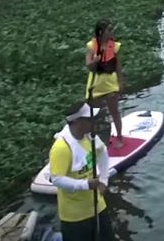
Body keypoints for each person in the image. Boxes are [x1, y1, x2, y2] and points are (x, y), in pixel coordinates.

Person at [50, 101, 113, 241]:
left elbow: (103, 152)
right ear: (77, 122)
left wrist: (104, 180)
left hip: (98, 206)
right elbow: (56, 179)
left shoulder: (90, 136)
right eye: (90, 119)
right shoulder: (61, 148)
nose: (94, 121)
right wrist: (85, 185)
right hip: (75, 216)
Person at [85, 19, 124, 148]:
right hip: (96, 85)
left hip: (110, 84)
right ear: (101, 32)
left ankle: (119, 137)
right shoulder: (91, 46)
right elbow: (89, 66)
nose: (111, 32)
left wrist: (120, 82)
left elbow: (118, 66)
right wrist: (95, 60)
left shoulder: (115, 46)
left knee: (114, 112)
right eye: (109, 30)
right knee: (96, 115)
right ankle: (99, 140)